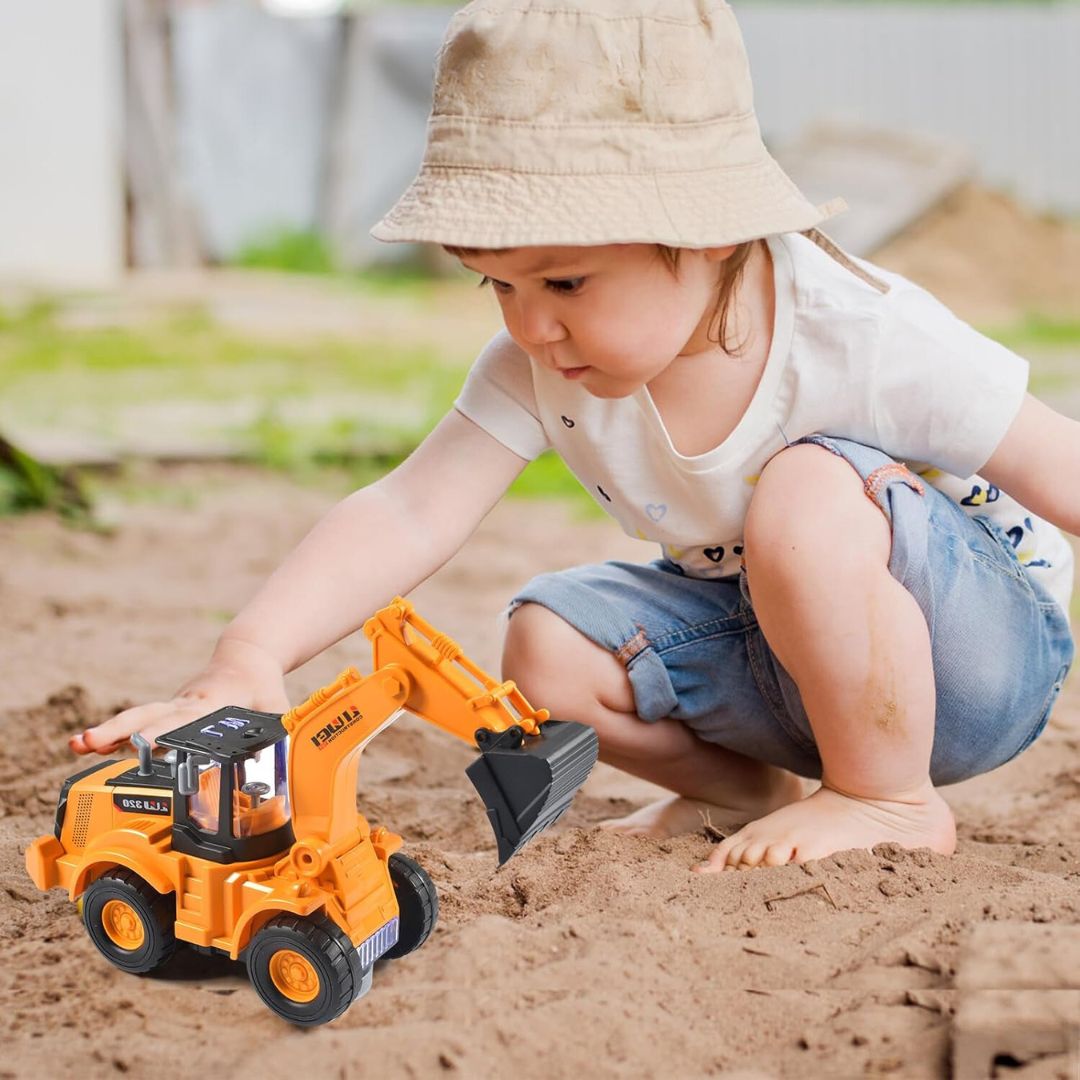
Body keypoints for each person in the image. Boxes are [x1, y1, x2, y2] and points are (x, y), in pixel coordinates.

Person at [72, 0, 1076, 872]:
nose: (528, 326)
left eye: (563, 281)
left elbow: (1054, 462)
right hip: (784, 665)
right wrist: (251, 654)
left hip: (971, 662)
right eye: (495, 283)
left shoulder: (858, 336)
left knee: (810, 491)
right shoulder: (544, 367)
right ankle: (751, 792)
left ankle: (889, 799)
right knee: (543, 646)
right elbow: (413, 505)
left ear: (709, 228)